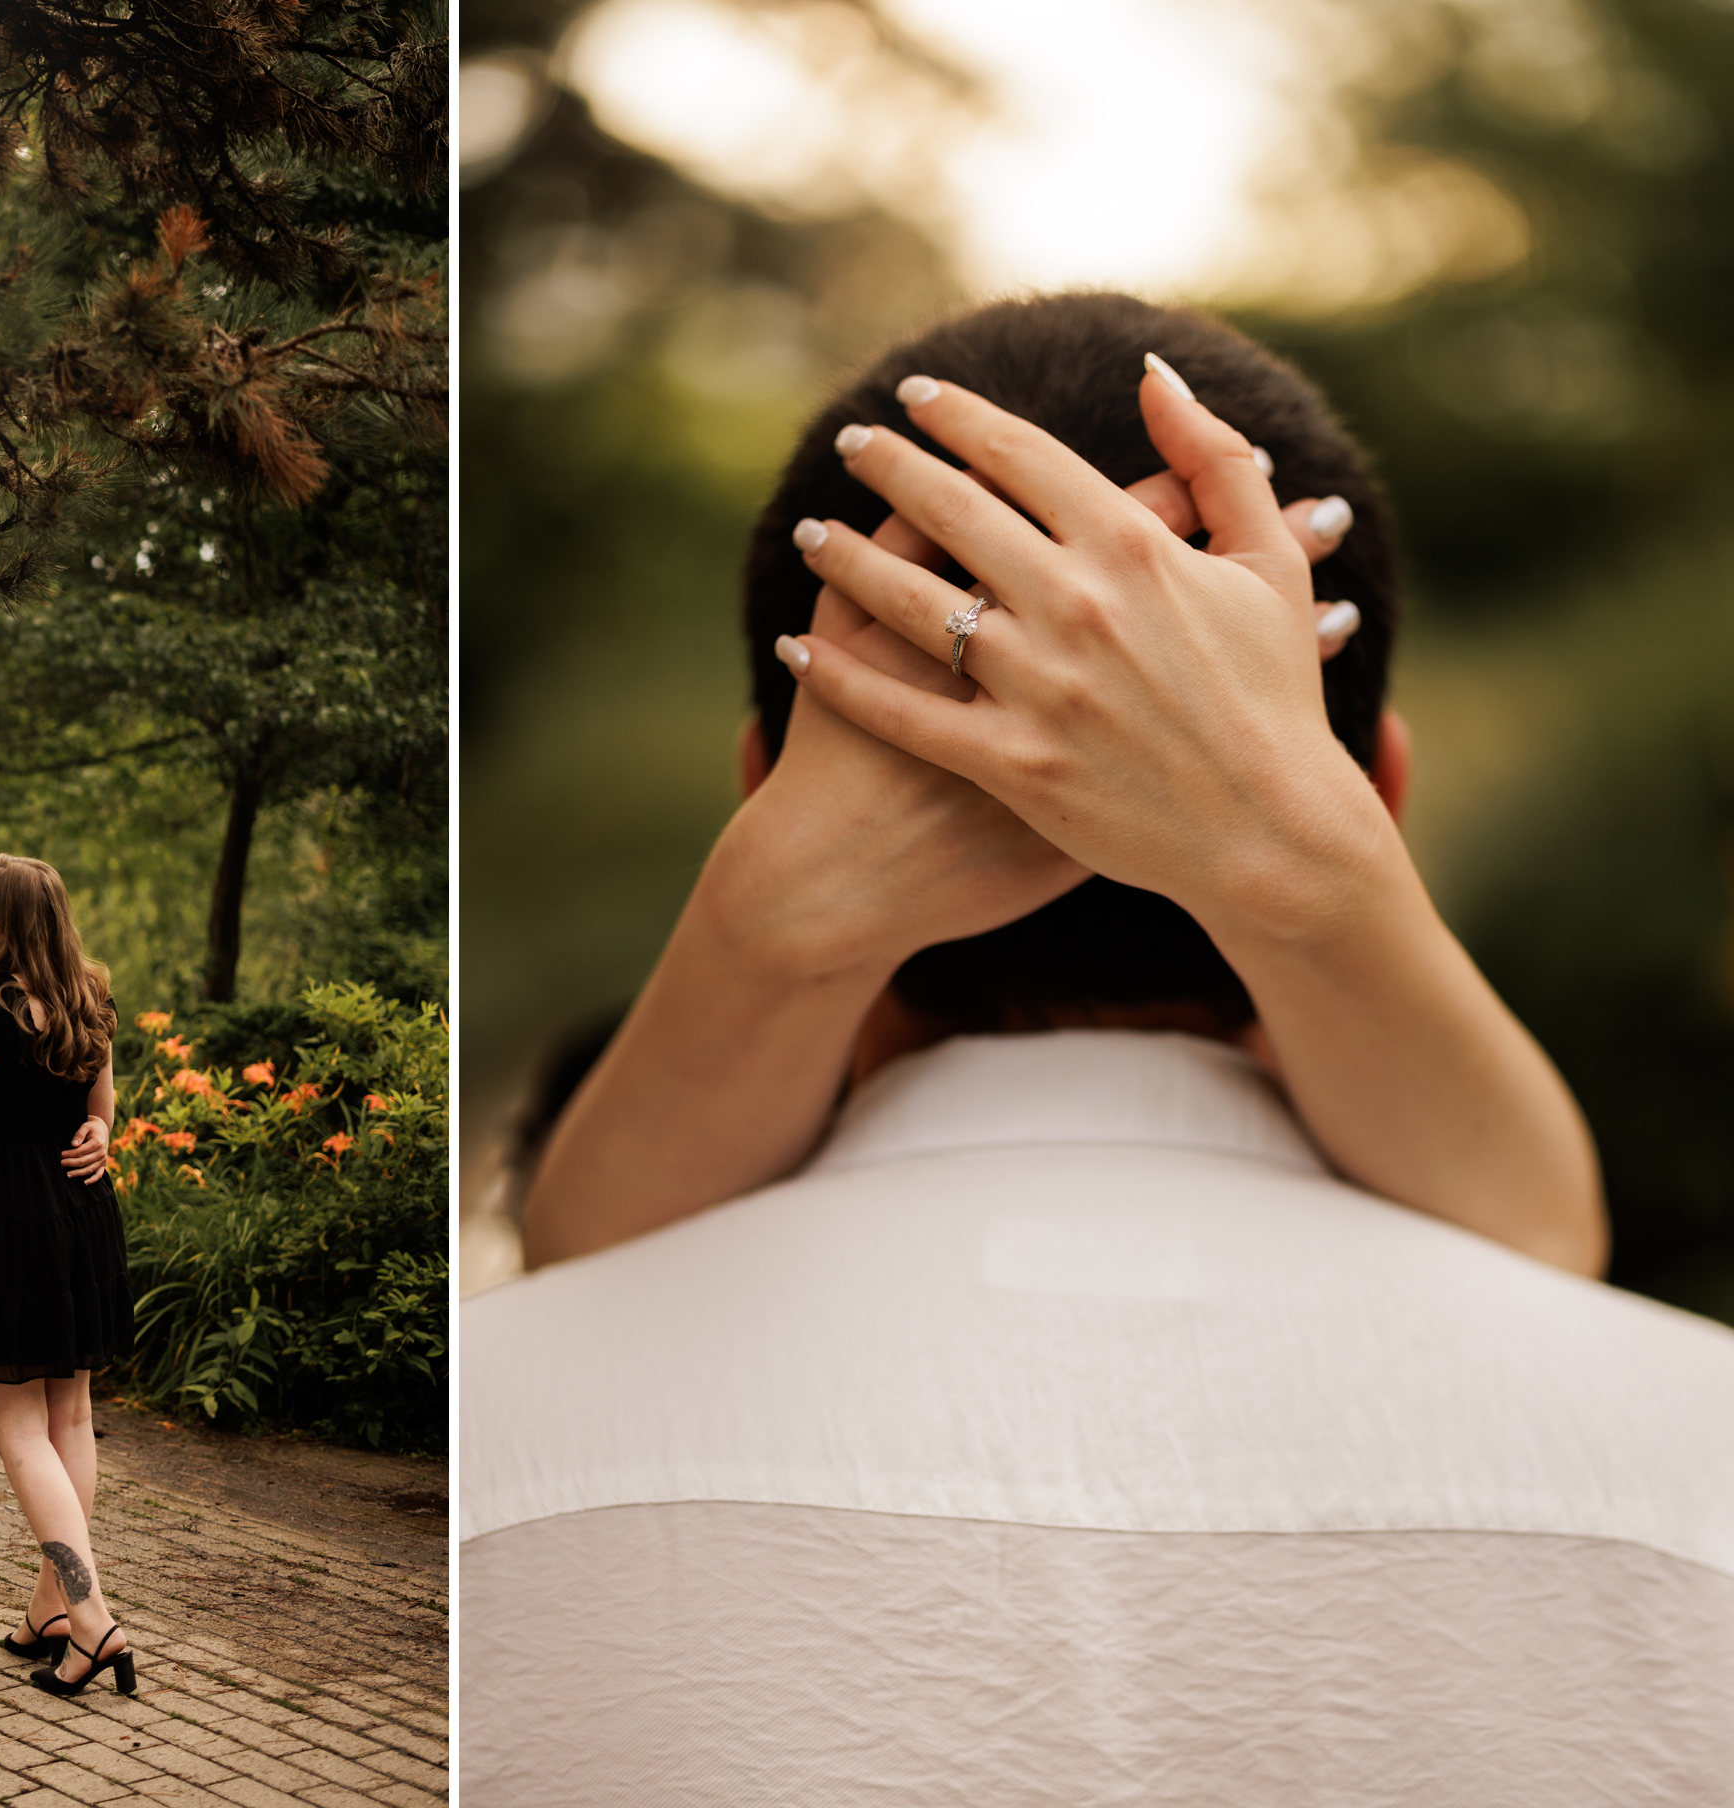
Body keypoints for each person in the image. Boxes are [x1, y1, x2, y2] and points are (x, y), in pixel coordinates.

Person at [461, 295, 1734, 1800]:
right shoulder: (1695, 1457)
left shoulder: (498, 1443)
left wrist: (764, 919)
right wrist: (1293, 863)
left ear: (761, 789)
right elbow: (1546, 1229)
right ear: (1380, 790)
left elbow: (579, 1248)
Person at [0, 853, 138, 1700]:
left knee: (18, 1431)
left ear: (0, 926)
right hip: (80, 1211)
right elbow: (100, 1111)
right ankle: (50, 1609)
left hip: (6, 1219)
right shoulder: (88, 994)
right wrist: (101, 1137)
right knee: (71, 1415)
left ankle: (90, 1619)